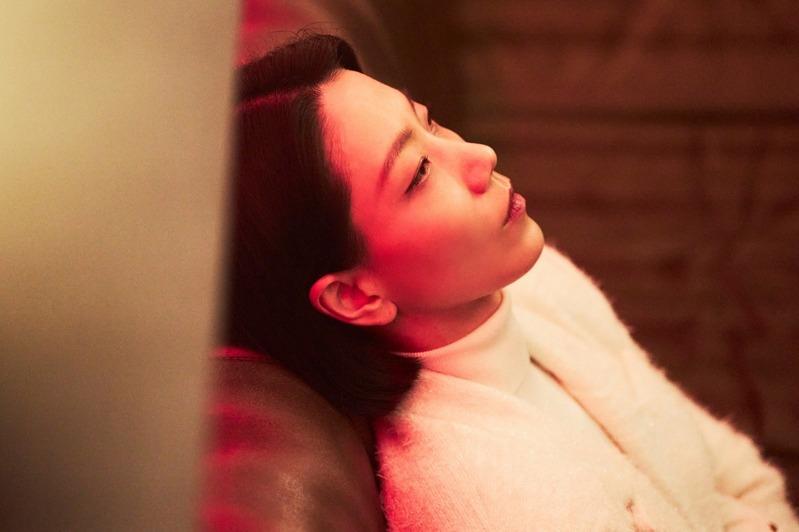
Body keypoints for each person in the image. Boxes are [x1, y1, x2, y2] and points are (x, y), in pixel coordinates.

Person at [225, 33, 799, 530]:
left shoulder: (533, 283)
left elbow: (734, 471)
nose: (480, 155)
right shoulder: (492, 504)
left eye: (429, 122)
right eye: (419, 173)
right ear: (355, 296)